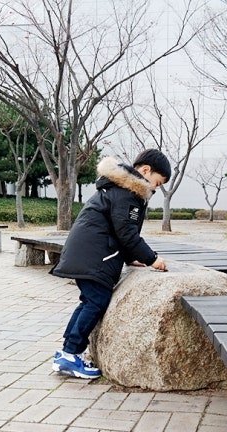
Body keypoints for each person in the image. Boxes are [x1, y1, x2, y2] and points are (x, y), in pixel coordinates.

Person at [49, 149, 171, 379]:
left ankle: (67, 352)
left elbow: (118, 229)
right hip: (94, 257)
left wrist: (130, 258)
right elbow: (127, 233)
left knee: (89, 301)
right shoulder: (128, 193)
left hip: (88, 254)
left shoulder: (120, 189)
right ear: (146, 171)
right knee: (96, 301)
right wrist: (152, 258)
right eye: (157, 183)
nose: (156, 189)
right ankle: (71, 353)